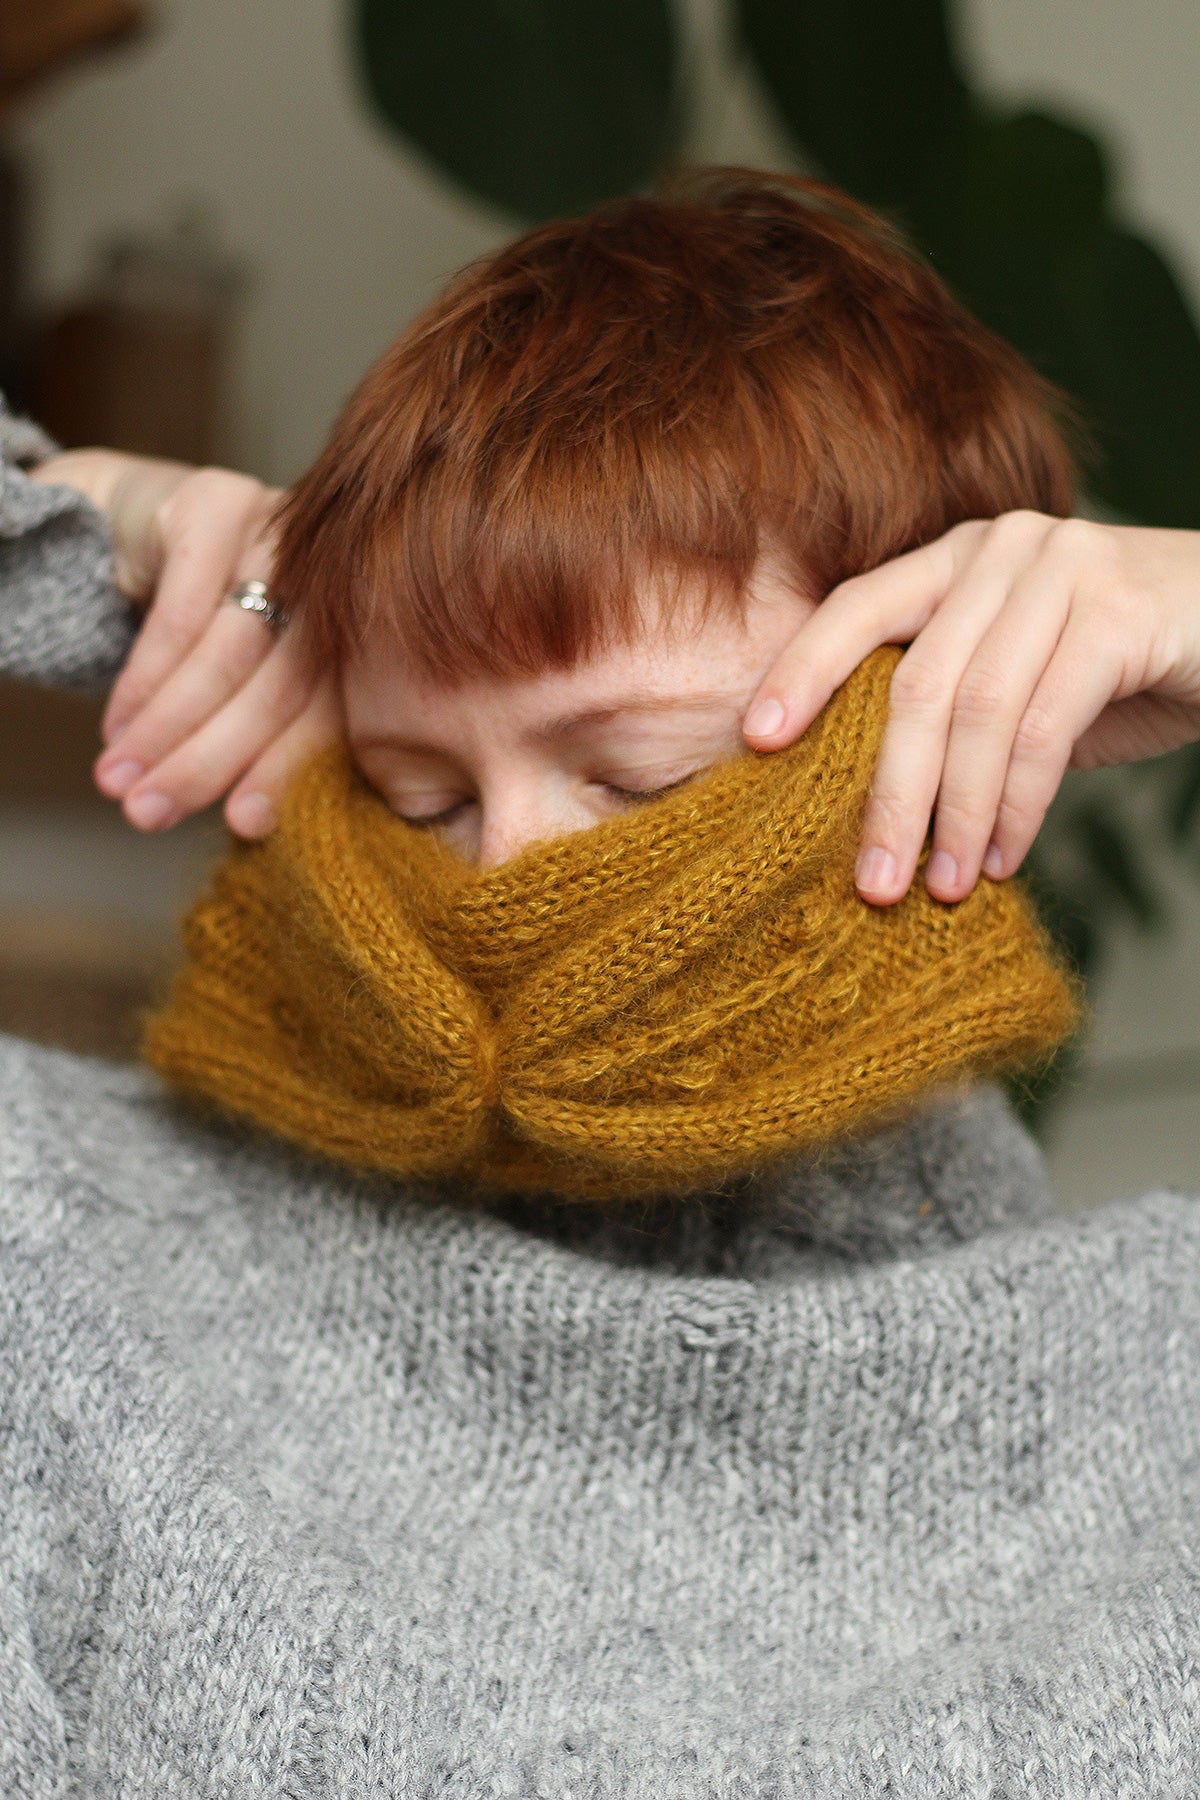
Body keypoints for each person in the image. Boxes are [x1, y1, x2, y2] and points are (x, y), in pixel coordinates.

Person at [3, 167, 1200, 1793]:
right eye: (419, 793)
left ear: (983, 718)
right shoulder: (62, 1245)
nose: (505, 877)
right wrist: (88, 513)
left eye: (637, 778)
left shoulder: (1158, 1378)